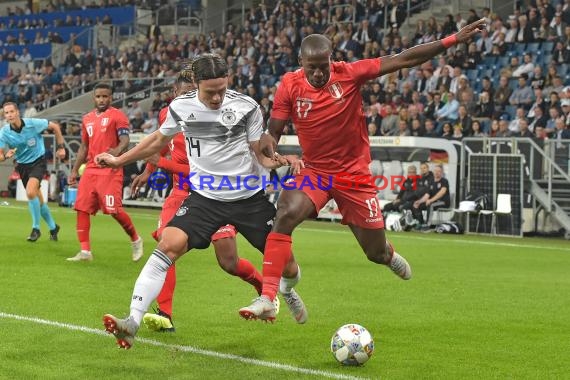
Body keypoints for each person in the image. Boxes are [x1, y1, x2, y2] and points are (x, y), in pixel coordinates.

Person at [239, 19, 486, 321]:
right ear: (300, 62)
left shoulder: (349, 74)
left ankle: (389, 255)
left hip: (353, 175)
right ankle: (270, 295)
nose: (317, 74)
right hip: (315, 172)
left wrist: (452, 40)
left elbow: (402, 58)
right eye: (311, 67)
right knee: (284, 214)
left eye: (323, 66)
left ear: (332, 60)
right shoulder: (290, 84)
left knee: (374, 252)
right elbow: (274, 130)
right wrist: (267, 144)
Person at [96, 54, 306, 349]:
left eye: (222, 89)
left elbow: (259, 152)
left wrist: (279, 160)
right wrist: (119, 160)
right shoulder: (180, 107)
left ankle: (286, 290)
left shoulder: (247, 107)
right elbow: (157, 141)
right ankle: (131, 321)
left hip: (248, 199)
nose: (218, 97)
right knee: (166, 247)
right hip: (204, 199)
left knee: (288, 266)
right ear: (195, 84)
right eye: (210, 92)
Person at [132, 68, 278, 332]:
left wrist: (161, 164)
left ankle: (261, 286)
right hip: (180, 195)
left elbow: (198, 168)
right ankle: (164, 313)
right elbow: (161, 146)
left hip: (214, 195)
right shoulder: (171, 114)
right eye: (184, 93)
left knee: (228, 262)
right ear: (174, 95)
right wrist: (148, 171)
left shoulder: (217, 121)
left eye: (193, 93)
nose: (190, 99)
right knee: (167, 244)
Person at [66, 83, 144, 262]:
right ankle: (85, 251)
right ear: (94, 98)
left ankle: (136, 239)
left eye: (105, 96)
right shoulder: (87, 119)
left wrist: (114, 153)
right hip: (91, 170)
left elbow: (125, 140)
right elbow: (84, 147)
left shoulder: (117, 116)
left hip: (110, 169)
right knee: (82, 208)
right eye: (98, 96)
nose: (102, 99)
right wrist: (74, 170)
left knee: (114, 210)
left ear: (111, 97)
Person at [0, 102, 64, 241]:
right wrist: (5, 156)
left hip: (38, 162)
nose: (10, 115)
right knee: (38, 199)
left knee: (30, 192)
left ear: (17, 112)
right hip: (22, 166)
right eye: (7, 113)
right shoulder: (4, 132)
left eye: (12, 111)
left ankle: (36, 228)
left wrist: (61, 147)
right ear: (5, 116)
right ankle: (53, 227)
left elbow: (55, 126)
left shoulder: (32, 123)